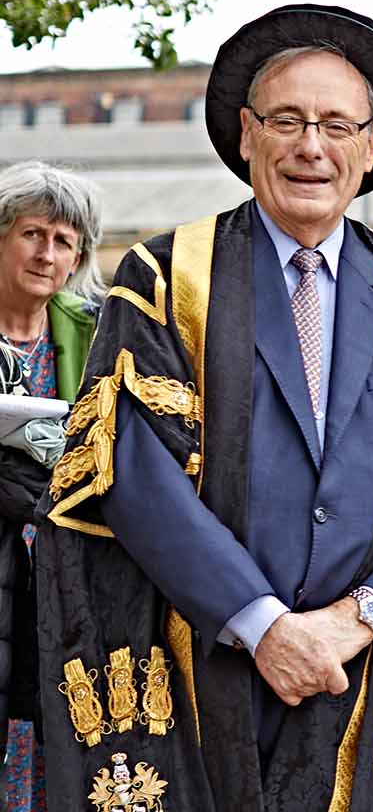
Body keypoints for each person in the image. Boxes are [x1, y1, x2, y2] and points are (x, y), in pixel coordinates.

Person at [36, 4, 373, 810]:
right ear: (247, 135)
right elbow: (131, 468)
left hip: (363, 665)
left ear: (370, 147)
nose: (311, 147)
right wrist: (263, 624)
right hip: (204, 655)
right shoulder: (166, 275)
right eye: (287, 121)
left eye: (336, 125)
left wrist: (358, 618)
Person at [0, 163, 105, 811]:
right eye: (32, 233)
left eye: (65, 241)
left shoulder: (96, 334)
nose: (47, 253)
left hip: (67, 568)